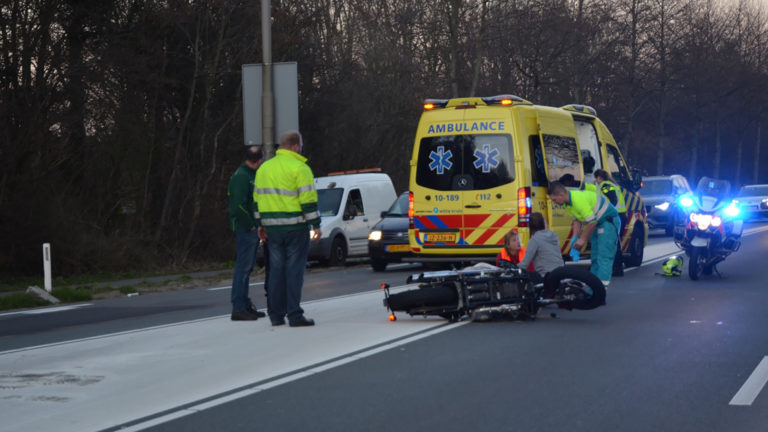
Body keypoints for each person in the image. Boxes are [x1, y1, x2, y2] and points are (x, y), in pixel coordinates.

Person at [254, 131, 319, 327]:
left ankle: (275, 315)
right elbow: (308, 200)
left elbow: (257, 200)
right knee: (294, 271)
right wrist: (315, 225)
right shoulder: (301, 168)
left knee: (276, 271)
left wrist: (260, 225)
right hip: (295, 227)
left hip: (272, 229)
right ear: (296, 146)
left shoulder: (264, 169)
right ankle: (294, 314)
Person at [547, 181, 620, 287]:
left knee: (603, 258)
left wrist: (582, 239)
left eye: (554, 199)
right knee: (595, 258)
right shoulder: (567, 203)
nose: (554, 202)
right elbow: (577, 220)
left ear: (561, 195)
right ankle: (594, 289)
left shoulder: (577, 200)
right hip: (599, 223)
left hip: (607, 222)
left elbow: (592, 221)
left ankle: (601, 291)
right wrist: (575, 237)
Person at [228, 145, 267, 321]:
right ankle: (238, 307)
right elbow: (238, 206)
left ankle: (245, 304)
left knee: (247, 267)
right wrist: (251, 225)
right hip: (245, 229)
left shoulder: (250, 175)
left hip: (250, 227)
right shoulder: (242, 177)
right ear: (259, 160)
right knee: (243, 268)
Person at [593, 169, 626, 276]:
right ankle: (617, 268)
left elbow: (613, 199)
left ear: (599, 177)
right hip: (619, 215)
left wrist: (606, 212)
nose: (596, 181)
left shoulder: (605, 185)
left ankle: (617, 268)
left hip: (613, 216)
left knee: (612, 244)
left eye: (596, 178)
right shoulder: (611, 184)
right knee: (615, 243)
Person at [518, 212, 564, 284]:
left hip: (546, 276)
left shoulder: (534, 240)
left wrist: (512, 269)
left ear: (530, 226)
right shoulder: (554, 236)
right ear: (543, 223)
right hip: (561, 273)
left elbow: (525, 264)